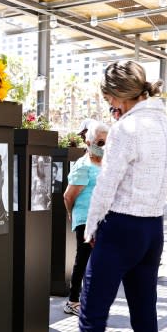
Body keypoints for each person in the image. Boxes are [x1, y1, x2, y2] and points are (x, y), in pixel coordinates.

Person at [56, 60, 167, 332]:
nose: (110, 105)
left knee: (92, 316)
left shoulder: (126, 129)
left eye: (109, 98)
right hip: (152, 228)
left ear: (117, 95)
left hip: (120, 226)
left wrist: (90, 228)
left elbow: (107, 186)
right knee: (144, 314)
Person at [62, 120, 109, 317]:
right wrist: (74, 215)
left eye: (107, 142)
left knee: (98, 262)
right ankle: (73, 301)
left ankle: (91, 300)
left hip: (103, 218)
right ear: (88, 143)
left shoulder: (105, 163)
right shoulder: (83, 166)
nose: (104, 147)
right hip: (87, 220)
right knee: (83, 260)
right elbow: (68, 196)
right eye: (100, 142)